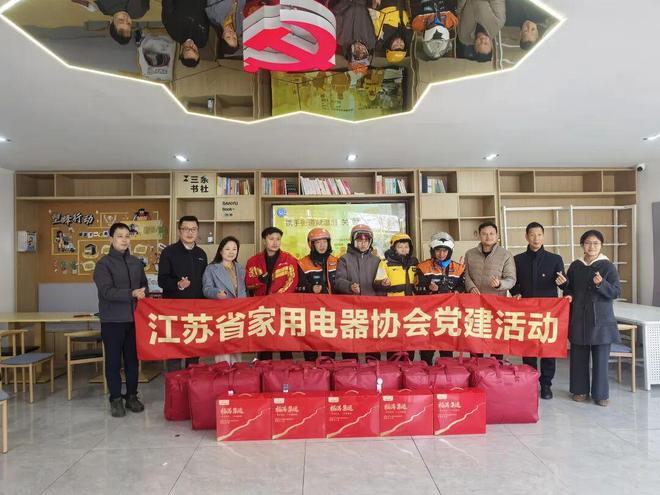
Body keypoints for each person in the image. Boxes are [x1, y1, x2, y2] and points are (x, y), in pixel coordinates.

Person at [93, 222, 147, 417]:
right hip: (112, 321)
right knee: (114, 362)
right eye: (119, 236)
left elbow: (144, 286)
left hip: (134, 320)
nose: (124, 240)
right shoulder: (103, 264)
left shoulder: (136, 263)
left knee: (132, 361)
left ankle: (132, 396)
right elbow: (106, 292)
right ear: (111, 239)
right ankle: (115, 398)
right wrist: (131, 293)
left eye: (127, 236)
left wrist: (144, 292)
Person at [510, 222, 567, 400]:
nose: (536, 238)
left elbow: (564, 284)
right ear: (526, 237)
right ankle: (530, 382)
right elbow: (513, 282)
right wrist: (516, 292)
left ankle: (546, 384)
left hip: (549, 312)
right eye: (532, 235)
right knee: (528, 348)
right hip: (526, 310)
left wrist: (563, 283)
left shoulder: (555, 259)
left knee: (548, 348)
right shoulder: (518, 259)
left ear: (543, 236)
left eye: (539, 235)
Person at [564, 230, 621, 407]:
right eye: (588, 243)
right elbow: (570, 288)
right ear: (582, 245)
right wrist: (566, 291)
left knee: (601, 358)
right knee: (578, 356)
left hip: (601, 320)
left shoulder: (608, 266)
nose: (592, 246)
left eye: (596, 243)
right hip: (579, 317)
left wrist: (601, 284)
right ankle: (579, 390)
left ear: (601, 245)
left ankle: (601, 394)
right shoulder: (575, 266)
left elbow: (616, 292)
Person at [158, 215, 208, 371]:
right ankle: (175, 381)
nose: (189, 232)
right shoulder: (169, 252)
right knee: (174, 349)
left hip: (195, 310)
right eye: (186, 229)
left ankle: (192, 381)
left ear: (197, 231)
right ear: (179, 231)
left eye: (193, 229)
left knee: (193, 350)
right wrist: (178, 285)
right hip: (174, 310)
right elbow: (162, 280)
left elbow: (204, 282)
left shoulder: (201, 254)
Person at [245, 226, 299, 360]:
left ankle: (287, 368)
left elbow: (292, 281)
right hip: (262, 308)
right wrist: (259, 280)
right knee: (265, 342)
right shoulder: (253, 261)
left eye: (278, 239)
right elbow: (248, 283)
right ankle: (264, 368)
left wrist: (277, 298)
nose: (275, 242)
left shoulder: (289, 259)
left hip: (282, 307)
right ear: (264, 241)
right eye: (271, 239)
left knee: (284, 340)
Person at [464, 221, 516, 359]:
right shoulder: (470, 254)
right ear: (478, 235)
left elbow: (511, 279)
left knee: (496, 338)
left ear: (497, 235)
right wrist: (471, 287)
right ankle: (475, 367)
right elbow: (466, 275)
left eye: (492, 233)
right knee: (475, 338)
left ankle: (495, 368)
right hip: (475, 304)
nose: (488, 237)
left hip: (496, 305)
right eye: (484, 234)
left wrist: (500, 284)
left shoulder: (506, 254)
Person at [335, 224, 383, 360]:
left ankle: (373, 367)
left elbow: (379, 284)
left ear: (370, 242)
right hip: (351, 307)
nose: (363, 244)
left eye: (366, 241)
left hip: (371, 308)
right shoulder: (344, 259)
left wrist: (384, 284)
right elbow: (338, 281)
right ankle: (350, 368)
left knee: (372, 341)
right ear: (353, 241)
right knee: (350, 341)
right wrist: (350, 286)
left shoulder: (377, 261)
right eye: (359, 240)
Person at [416, 232, 465, 364]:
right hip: (428, 313)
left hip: (447, 315)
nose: (441, 254)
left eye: (444, 251)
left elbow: (462, 288)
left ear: (449, 251)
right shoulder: (423, 267)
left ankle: (445, 372)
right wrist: (428, 288)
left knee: (447, 350)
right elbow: (417, 288)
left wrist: (453, 291)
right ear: (433, 251)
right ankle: (425, 370)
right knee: (427, 349)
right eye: (438, 250)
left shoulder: (459, 268)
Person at [202, 236, 247, 364]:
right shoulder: (211, 268)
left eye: (234, 249)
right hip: (221, 312)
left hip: (238, 313)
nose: (231, 252)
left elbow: (244, 290)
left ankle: (236, 374)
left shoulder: (240, 269)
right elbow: (206, 289)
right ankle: (223, 374)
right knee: (223, 349)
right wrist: (217, 293)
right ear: (221, 251)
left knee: (237, 349)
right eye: (227, 249)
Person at [297, 228, 339, 361]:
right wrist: (311, 288)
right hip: (311, 311)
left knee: (329, 341)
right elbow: (297, 287)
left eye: (325, 241)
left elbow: (341, 283)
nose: (322, 245)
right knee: (311, 341)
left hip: (331, 310)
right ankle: (311, 369)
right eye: (318, 242)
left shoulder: (336, 261)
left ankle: (328, 365)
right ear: (311, 244)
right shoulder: (303, 263)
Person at [377, 233, 418, 360]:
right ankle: (392, 364)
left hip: (411, 307)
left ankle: (409, 363)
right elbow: (376, 282)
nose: (404, 249)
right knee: (394, 337)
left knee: (410, 336)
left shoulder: (415, 262)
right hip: (393, 308)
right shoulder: (385, 263)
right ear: (393, 248)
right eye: (400, 246)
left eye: (406, 246)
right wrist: (382, 283)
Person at [162, 0, 210, 68]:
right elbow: (207, 18)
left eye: (188, 48)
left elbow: (167, 6)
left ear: (181, 51)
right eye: (195, 50)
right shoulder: (202, 41)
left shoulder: (175, 33)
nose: (192, 45)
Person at [333, 0, 377, 73]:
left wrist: (347, 2)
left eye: (357, 53)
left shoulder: (340, 38)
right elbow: (373, 19)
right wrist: (373, 5)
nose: (360, 49)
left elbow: (336, 12)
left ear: (351, 55)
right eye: (364, 54)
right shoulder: (371, 41)